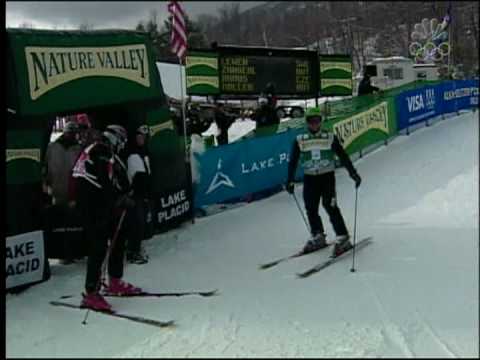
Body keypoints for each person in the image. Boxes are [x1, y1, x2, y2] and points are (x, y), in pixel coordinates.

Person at [71, 124, 141, 311]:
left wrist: (124, 194)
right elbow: (103, 181)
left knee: (118, 237)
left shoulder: (106, 152)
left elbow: (116, 179)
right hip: (90, 206)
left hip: (101, 204)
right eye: (122, 141)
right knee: (98, 246)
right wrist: (119, 198)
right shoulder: (99, 150)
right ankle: (91, 293)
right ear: (115, 138)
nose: (122, 145)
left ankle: (115, 280)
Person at [285, 107, 362, 258]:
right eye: (310, 121)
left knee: (330, 204)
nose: (314, 124)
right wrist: (290, 180)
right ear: (306, 122)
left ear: (321, 121)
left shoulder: (329, 137)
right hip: (310, 178)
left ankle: (342, 235)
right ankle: (317, 234)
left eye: (316, 121)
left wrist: (353, 173)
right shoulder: (300, 139)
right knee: (311, 207)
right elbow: (293, 160)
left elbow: (342, 155)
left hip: (326, 177)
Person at [43, 121, 83, 264]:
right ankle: (63, 253)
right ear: (65, 132)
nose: (72, 135)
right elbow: (45, 168)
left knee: (75, 224)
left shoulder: (78, 149)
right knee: (60, 224)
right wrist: (46, 184)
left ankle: (77, 251)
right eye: (70, 132)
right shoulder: (52, 148)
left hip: (74, 192)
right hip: (57, 191)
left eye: (74, 133)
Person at [125, 124, 152, 264]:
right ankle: (132, 251)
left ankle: (136, 248)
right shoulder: (132, 154)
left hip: (143, 193)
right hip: (135, 194)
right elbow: (136, 177)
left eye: (144, 137)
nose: (141, 140)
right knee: (136, 223)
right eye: (139, 137)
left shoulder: (144, 152)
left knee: (140, 223)